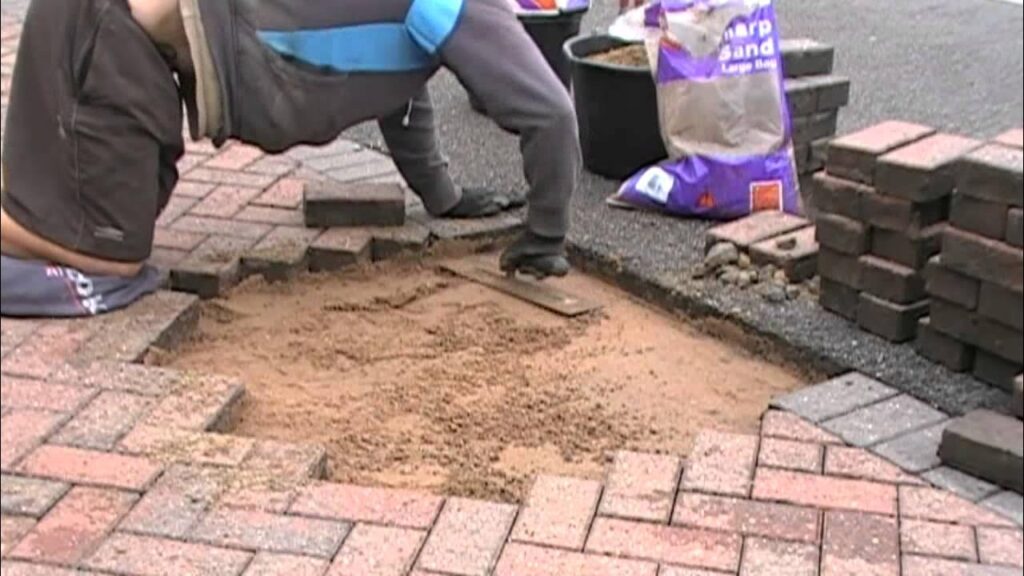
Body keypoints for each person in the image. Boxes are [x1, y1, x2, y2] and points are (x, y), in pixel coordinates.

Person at [0, 0, 582, 318]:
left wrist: (441, 195)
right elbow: (552, 112)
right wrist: (546, 236)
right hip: (108, 36)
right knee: (114, 260)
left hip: (110, 38)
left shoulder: (426, 12)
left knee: (79, 206)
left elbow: (400, 79)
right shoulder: (461, 6)